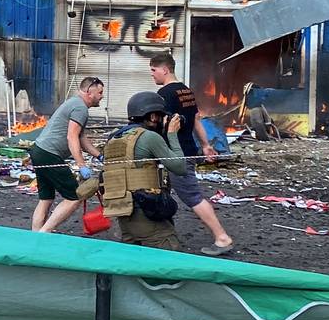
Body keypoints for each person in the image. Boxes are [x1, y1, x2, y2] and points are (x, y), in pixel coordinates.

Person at [147, 52, 234, 255]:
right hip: (187, 150)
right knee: (163, 191)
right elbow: (196, 120)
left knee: (192, 196)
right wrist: (205, 145)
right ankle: (161, 233)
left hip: (177, 154)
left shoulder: (165, 94)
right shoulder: (186, 91)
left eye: (153, 70)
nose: (152, 74)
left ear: (165, 70)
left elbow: (162, 124)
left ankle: (222, 237)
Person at [98, 92, 190, 251]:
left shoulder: (115, 138)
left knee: (134, 256)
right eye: (161, 116)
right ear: (153, 117)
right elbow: (179, 167)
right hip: (146, 210)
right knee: (170, 254)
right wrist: (172, 134)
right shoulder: (149, 137)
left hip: (122, 209)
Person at [30, 78, 105, 233]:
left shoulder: (74, 103)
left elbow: (81, 138)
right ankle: (44, 233)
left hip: (39, 150)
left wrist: (99, 156)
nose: (102, 96)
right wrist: (81, 165)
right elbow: (72, 137)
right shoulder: (80, 108)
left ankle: (35, 236)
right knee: (74, 197)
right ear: (89, 92)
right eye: (100, 92)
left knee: (46, 198)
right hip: (49, 154)